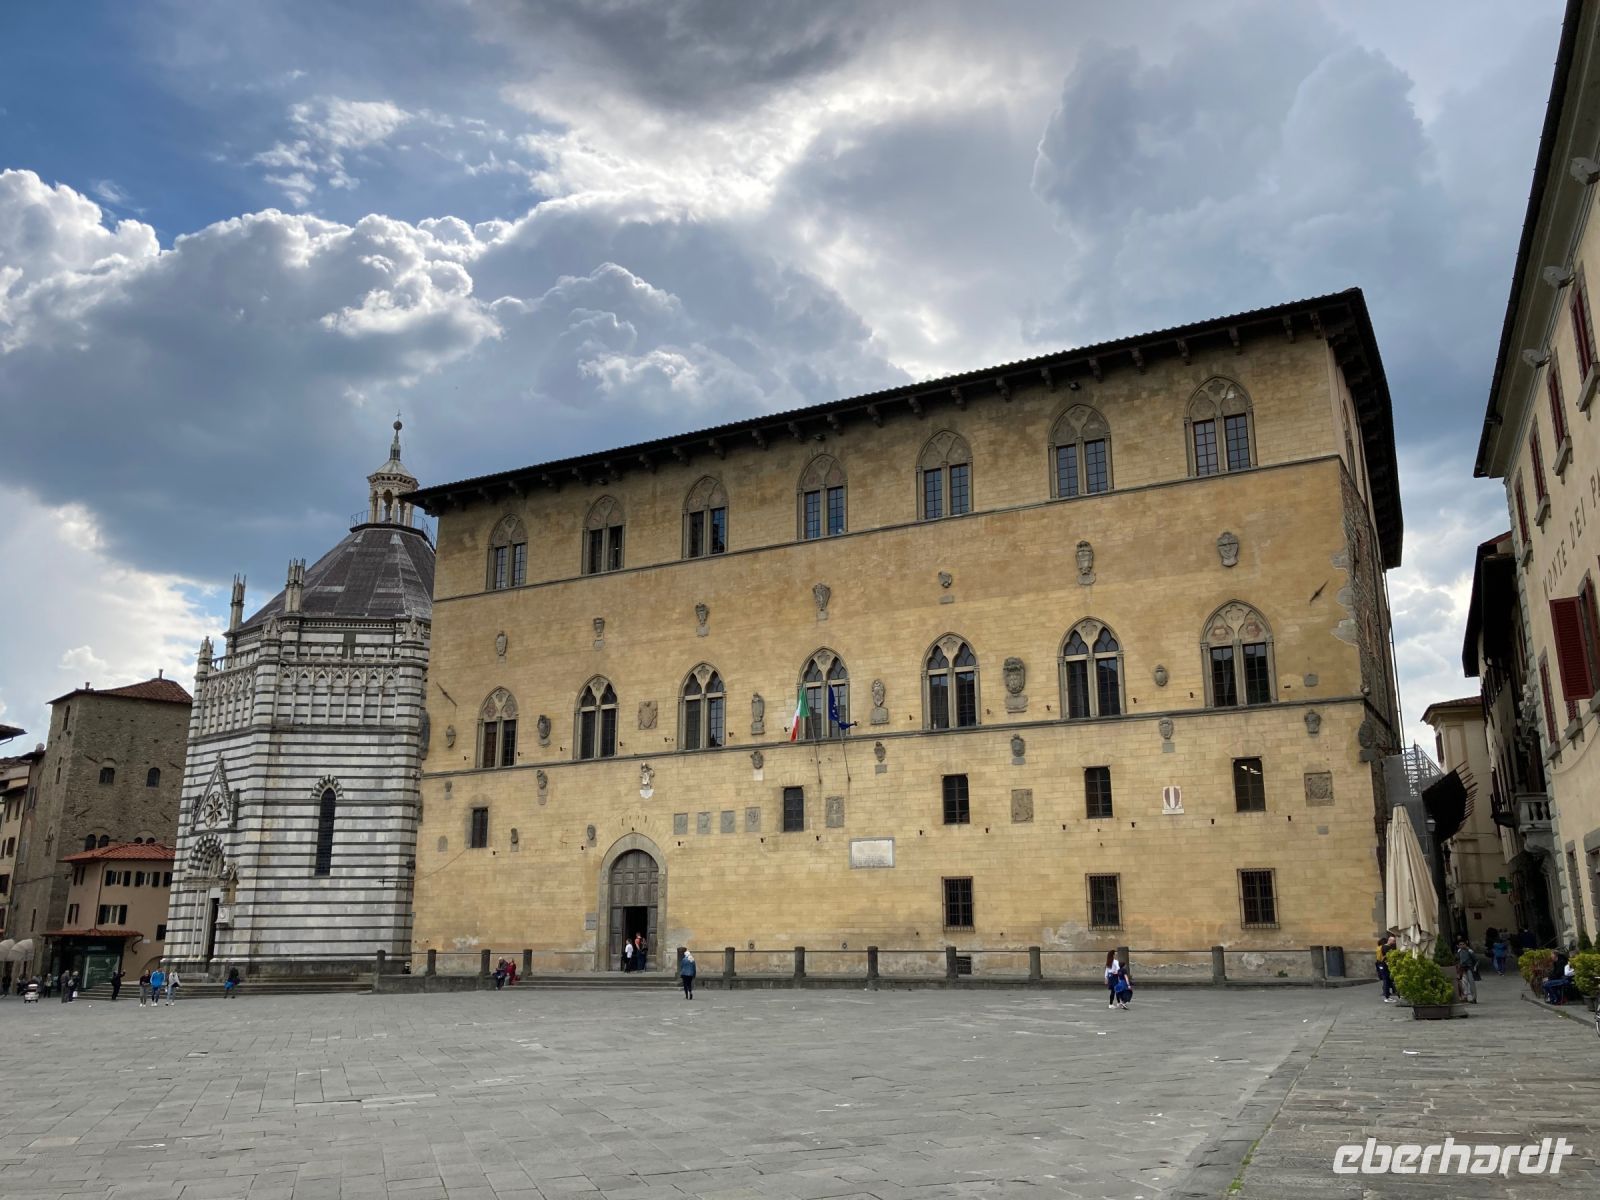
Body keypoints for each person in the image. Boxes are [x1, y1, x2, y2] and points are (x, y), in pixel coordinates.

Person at [1454, 937, 1477, 1003]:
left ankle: (1474, 998)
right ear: (1458, 946)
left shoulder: (1469, 951)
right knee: (1464, 984)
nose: (1462, 946)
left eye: (1463, 944)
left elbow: (1476, 960)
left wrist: (1475, 967)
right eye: (1460, 944)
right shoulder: (1459, 951)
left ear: (1466, 944)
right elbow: (1456, 959)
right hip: (1462, 969)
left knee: (1472, 983)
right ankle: (1465, 997)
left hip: (1469, 968)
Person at [1375, 934, 1397, 1003]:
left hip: (1382, 965)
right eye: (1394, 941)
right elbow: (1388, 957)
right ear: (1390, 940)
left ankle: (1388, 996)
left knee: (1388, 980)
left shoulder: (1385, 947)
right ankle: (1386, 997)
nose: (1394, 942)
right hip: (1384, 966)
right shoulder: (1385, 947)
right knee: (1386, 980)